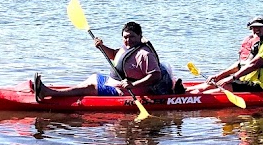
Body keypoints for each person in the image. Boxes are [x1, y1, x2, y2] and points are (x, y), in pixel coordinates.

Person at [33, 21, 172, 100]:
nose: (128, 40)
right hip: (117, 83)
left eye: (131, 37)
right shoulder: (127, 47)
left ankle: (49, 93)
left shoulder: (144, 54)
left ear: (140, 36)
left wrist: (133, 84)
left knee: (91, 87)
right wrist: (101, 46)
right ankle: (67, 93)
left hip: (129, 91)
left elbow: (155, 75)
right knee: (93, 78)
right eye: (125, 37)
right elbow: (114, 55)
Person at [201, 16, 263, 92]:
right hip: (249, 81)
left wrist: (232, 78)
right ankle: (189, 91)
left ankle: (196, 99)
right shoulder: (258, 44)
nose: (256, 29)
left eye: (259, 27)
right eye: (254, 27)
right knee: (216, 83)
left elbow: (253, 65)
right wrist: (218, 76)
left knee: (224, 86)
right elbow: (241, 65)